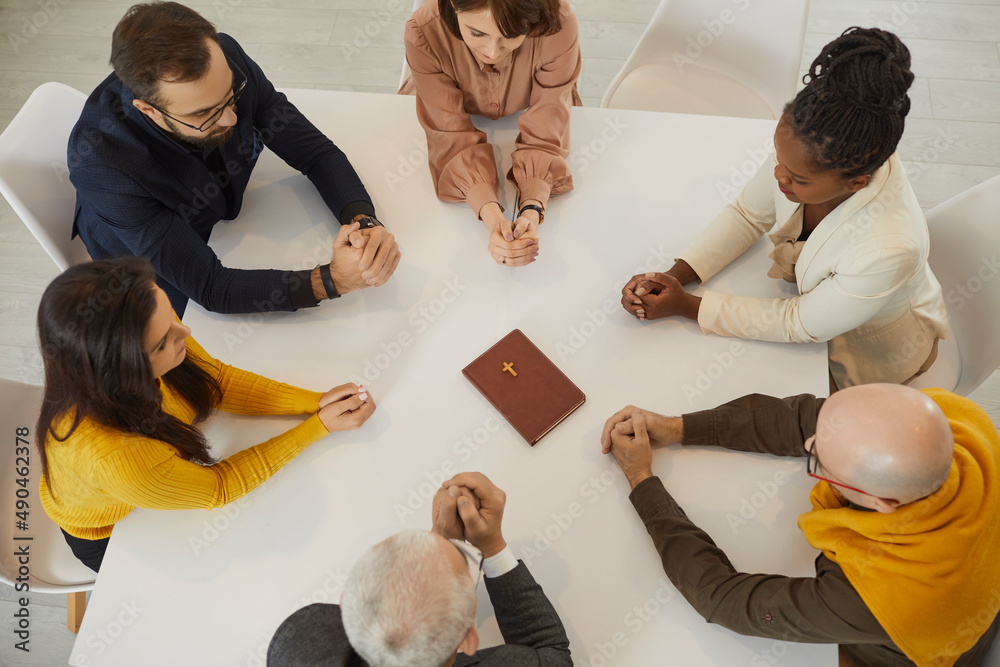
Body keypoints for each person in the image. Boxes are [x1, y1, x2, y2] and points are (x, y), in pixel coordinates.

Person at [619, 27, 948, 390]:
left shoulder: (890, 247)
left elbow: (799, 324)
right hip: (814, 320)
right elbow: (748, 214)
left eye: (798, 179)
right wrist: (673, 278)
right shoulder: (815, 145)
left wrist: (687, 307)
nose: (778, 175)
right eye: (778, 159)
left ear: (857, 183)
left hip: (868, 356)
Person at [601, 384, 1000, 666]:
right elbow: (805, 418)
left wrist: (641, 480)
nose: (808, 446)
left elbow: (723, 599)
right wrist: (678, 427)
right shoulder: (953, 416)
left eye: (820, 463)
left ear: (883, 503)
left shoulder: (881, 598)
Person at [36, 257, 376, 572]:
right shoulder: (120, 459)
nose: (184, 332)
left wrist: (313, 402)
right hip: (108, 532)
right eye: (162, 343)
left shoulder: (148, 320)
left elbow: (217, 381)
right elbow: (219, 486)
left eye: (171, 314)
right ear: (125, 374)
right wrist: (317, 428)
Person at [69, 2, 400, 317]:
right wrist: (331, 281)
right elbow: (212, 287)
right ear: (149, 110)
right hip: (151, 264)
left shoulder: (226, 59)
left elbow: (314, 152)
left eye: (229, 96)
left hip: (228, 212)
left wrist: (362, 221)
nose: (230, 118)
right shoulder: (104, 167)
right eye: (204, 113)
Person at [267, 472, 572, 666]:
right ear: (468, 638)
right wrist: (491, 546)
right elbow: (551, 654)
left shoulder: (298, 642)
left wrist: (442, 541)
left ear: (345, 602)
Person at [400, 0, 581, 267]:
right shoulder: (424, 31)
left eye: (510, 35)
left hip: (533, 104)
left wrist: (532, 207)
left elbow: (547, 129)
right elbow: (450, 135)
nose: (493, 52)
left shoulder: (558, 24)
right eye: (477, 33)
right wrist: (491, 214)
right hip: (441, 105)